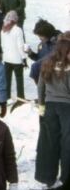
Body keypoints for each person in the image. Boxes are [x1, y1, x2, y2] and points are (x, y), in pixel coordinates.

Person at [35, 33, 70, 188]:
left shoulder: (47, 61)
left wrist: (42, 104)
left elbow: (40, 85)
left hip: (49, 106)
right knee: (67, 144)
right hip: (67, 108)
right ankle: (66, 178)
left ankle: (46, 177)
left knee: (48, 142)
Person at [0, 11, 27, 104]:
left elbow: (2, 44)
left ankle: (6, 97)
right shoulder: (18, 30)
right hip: (17, 59)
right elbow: (20, 45)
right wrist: (24, 57)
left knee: (7, 79)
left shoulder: (3, 29)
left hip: (7, 58)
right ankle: (21, 97)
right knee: (19, 79)